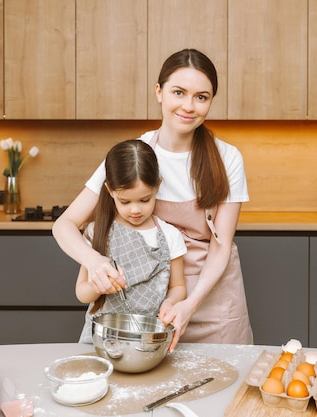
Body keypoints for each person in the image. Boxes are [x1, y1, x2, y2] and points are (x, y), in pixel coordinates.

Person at [53, 48, 253, 348]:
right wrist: (93, 262)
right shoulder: (137, 155)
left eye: (201, 97)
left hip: (211, 299)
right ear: (159, 92)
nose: (189, 106)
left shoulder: (227, 158)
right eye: (178, 92)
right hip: (146, 304)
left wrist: (190, 303)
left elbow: (221, 245)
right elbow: (65, 224)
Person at [74, 139, 187, 349]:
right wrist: (97, 286)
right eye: (125, 202)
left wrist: (170, 303)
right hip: (100, 340)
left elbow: (178, 286)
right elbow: (82, 293)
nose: (135, 210)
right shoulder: (97, 231)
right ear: (110, 191)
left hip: (148, 340)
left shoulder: (170, 236)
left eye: (145, 200)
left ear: (158, 187)